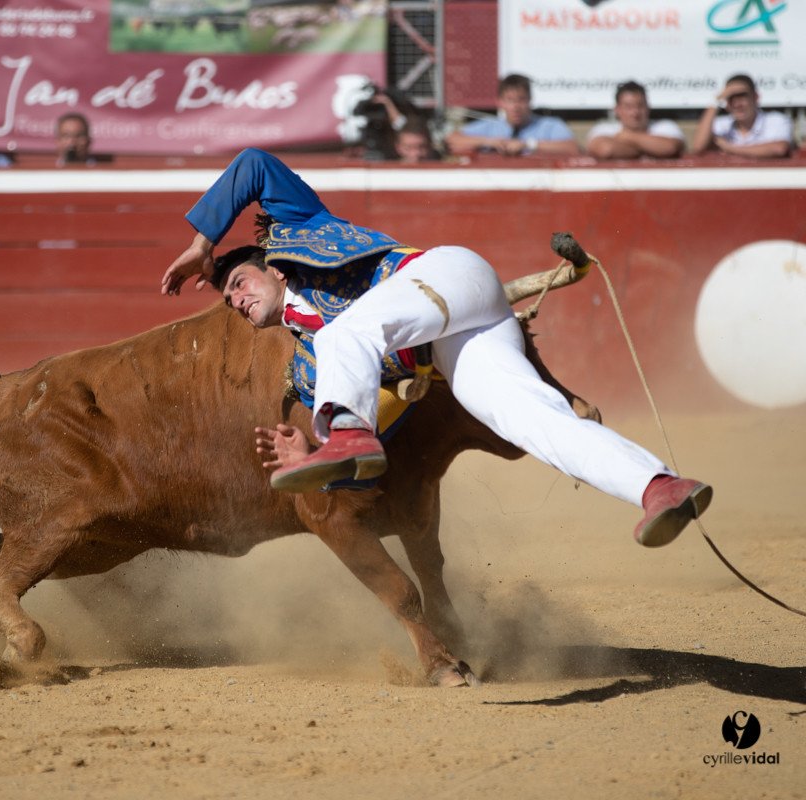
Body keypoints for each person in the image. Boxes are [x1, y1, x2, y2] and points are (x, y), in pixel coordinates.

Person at [160, 148, 711, 547]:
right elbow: (388, 429)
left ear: (274, 269)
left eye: (239, 284)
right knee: (530, 421)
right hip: (454, 339)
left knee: (345, 335)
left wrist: (201, 245)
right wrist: (316, 463)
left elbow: (253, 164)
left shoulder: (299, 229)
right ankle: (658, 486)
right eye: (228, 299)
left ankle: (343, 433)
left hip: (446, 274)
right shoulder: (314, 370)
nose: (234, 300)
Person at [444, 74, 579, 157]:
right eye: (509, 100)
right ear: (500, 102)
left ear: (530, 100)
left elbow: (572, 148)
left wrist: (527, 144)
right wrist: (489, 142)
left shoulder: (549, 125)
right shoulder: (491, 126)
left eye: (521, 100)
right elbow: (451, 141)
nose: (515, 107)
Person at [690, 74, 795, 159]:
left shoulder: (776, 120)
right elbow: (698, 148)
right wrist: (716, 101)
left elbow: (780, 149)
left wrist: (730, 148)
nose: (737, 104)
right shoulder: (721, 124)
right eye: (730, 98)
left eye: (742, 96)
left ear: (756, 97)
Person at [586, 81, 684, 160]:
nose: (635, 112)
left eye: (640, 106)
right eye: (628, 107)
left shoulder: (665, 126)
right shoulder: (603, 129)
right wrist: (650, 148)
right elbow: (605, 150)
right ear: (617, 110)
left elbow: (670, 148)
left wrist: (625, 136)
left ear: (648, 107)